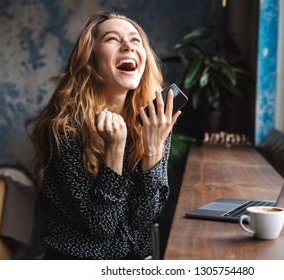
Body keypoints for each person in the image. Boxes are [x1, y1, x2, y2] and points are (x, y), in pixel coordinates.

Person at [28, 11, 180, 260]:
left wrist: (152, 149)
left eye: (135, 40)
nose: (128, 45)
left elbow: (143, 217)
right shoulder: (63, 129)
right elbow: (102, 228)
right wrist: (114, 151)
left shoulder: (153, 123)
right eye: (112, 39)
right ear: (90, 59)